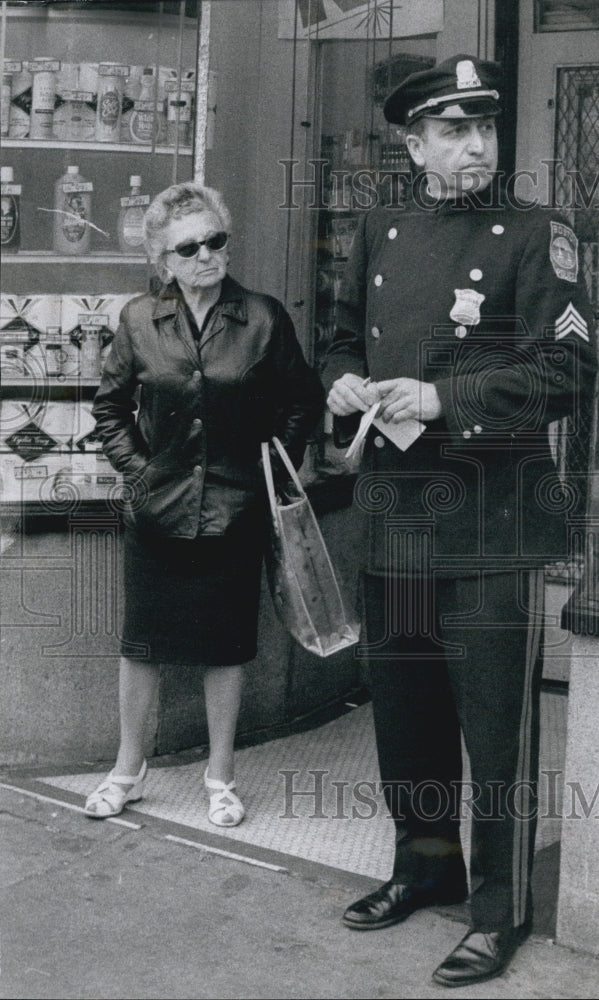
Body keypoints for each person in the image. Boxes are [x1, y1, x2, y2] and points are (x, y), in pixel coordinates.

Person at [322, 55, 597, 987]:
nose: (475, 143)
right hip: (396, 515)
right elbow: (335, 337)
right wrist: (342, 383)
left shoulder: (535, 236)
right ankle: (423, 864)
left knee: (494, 729)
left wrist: (442, 399)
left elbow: (566, 376)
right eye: (452, 129)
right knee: (404, 711)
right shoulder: (380, 228)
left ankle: (498, 909)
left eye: (482, 126)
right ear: (413, 144)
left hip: (491, 519)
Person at [85, 182, 324, 826]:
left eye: (215, 241)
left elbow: (302, 400)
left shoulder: (263, 317)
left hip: (234, 509)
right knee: (142, 646)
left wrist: (267, 474)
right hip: (156, 511)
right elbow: (110, 408)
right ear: (161, 260)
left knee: (227, 647)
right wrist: (141, 474)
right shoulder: (139, 319)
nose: (205, 257)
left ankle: (221, 776)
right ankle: (126, 771)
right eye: (187, 248)